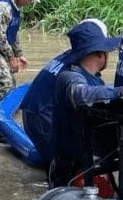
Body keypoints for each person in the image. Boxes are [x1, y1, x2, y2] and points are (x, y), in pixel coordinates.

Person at [50, 23, 123, 187]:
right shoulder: (70, 77)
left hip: (85, 161)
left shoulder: (93, 78)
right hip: (71, 169)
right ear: (100, 53)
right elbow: (83, 94)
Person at [19, 18, 107, 166]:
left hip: (30, 112)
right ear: (98, 51)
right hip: (44, 119)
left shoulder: (68, 56)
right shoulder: (81, 72)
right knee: (66, 166)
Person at [0, 0, 42, 105]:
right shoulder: (3, 7)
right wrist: (11, 58)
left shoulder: (15, 8)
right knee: (5, 83)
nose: (30, 2)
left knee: (11, 83)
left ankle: (2, 109)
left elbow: (13, 33)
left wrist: (19, 54)